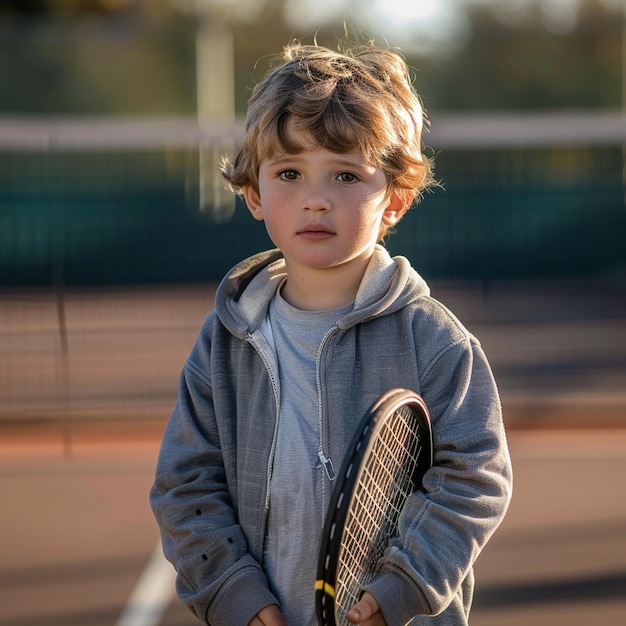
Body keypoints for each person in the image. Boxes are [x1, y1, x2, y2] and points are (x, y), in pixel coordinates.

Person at [150, 40, 513, 626]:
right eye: (289, 173)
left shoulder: (435, 340)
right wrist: (238, 599)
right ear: (253, 193)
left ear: (395, 199)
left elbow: (476, 478)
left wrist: (398, 591)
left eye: (346, 175)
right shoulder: (223, 342)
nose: (315, 200)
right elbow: (185, 484)